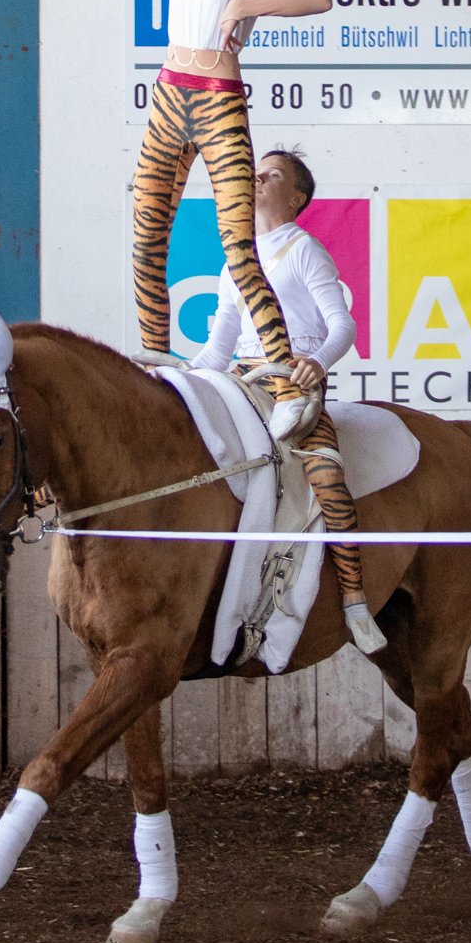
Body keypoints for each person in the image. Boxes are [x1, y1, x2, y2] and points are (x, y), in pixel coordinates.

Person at [133, 0, 331, 443]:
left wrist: (250, 2)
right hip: (168, 94)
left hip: (217, 101)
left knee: (237, 245)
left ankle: (286, 380)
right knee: (147, 232)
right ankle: (155, 367)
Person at [190, 148, 385, 656]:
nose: (257, 179)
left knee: (326, 475)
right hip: (242, 378)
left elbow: (343, 325)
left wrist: (316, 363)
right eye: (255, 172)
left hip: (293, 381)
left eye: (272, 175)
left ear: (296, 197)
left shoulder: (304, 250)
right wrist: (176, 377)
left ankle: (354, 599)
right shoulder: (234, 263)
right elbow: (218, 349)